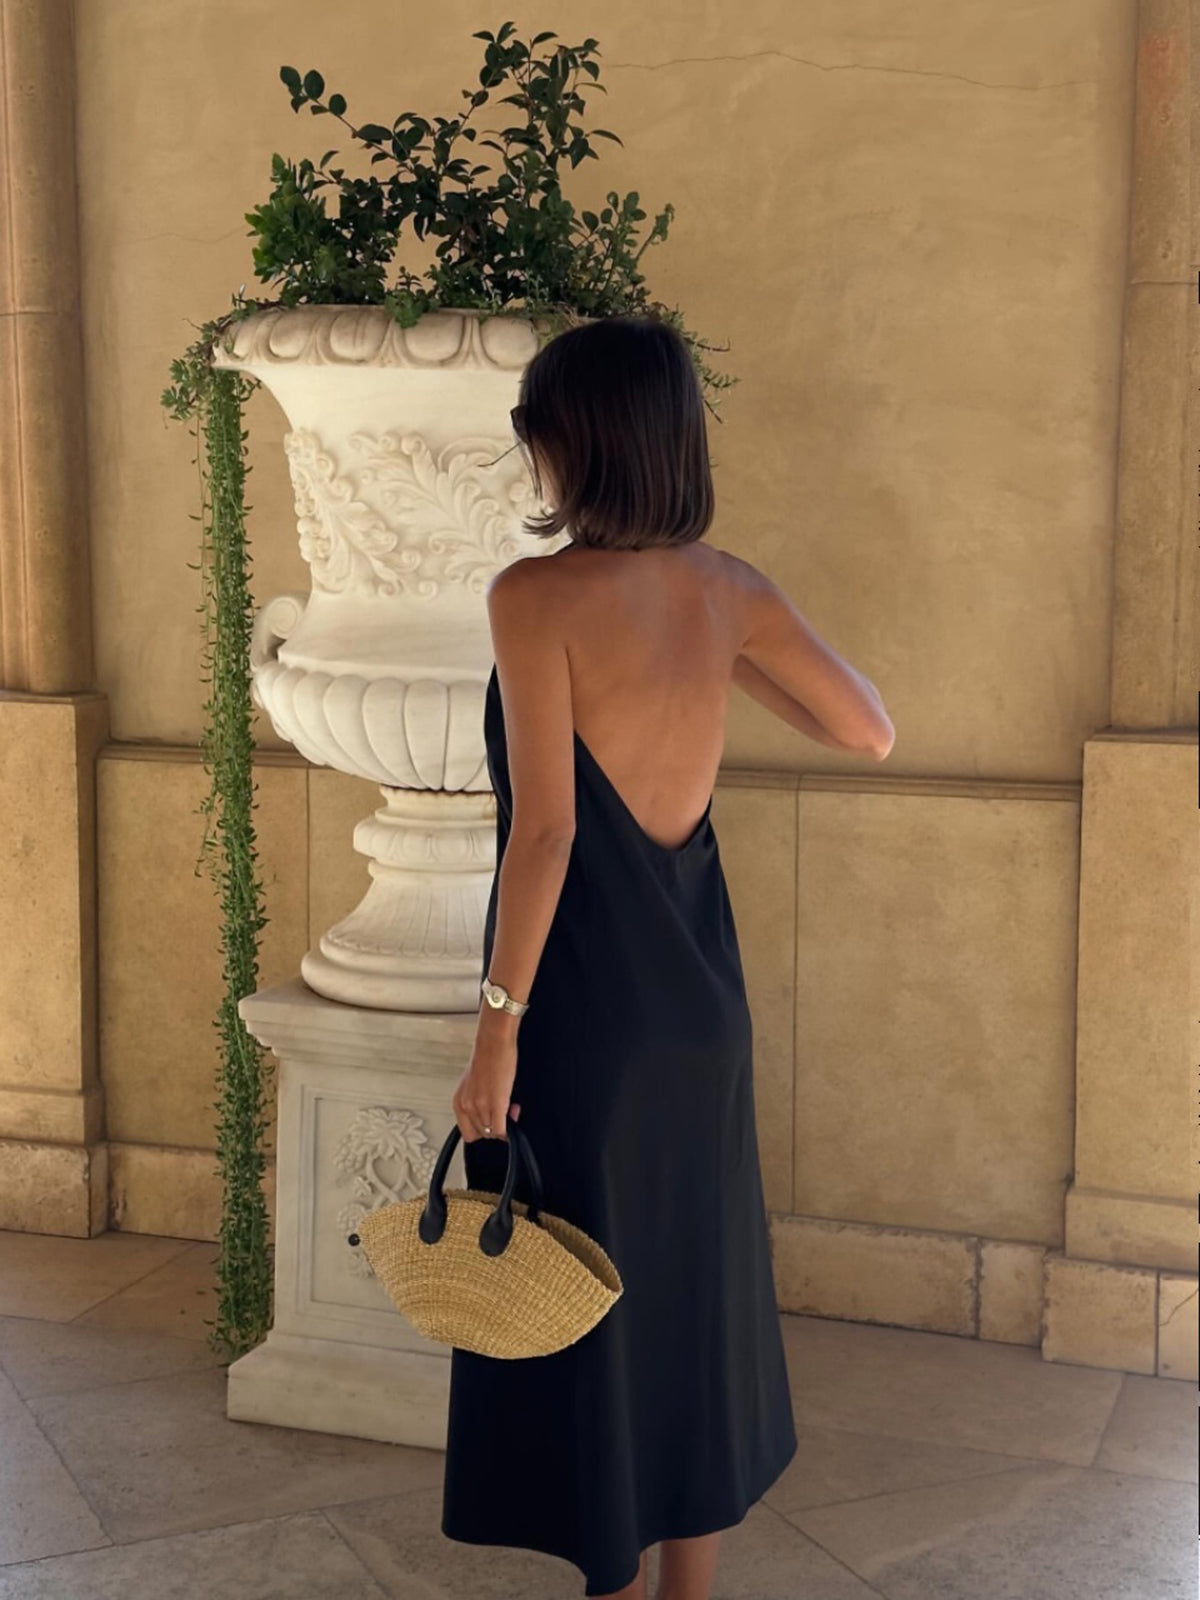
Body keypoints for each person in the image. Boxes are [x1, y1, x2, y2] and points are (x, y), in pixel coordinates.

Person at [440, 314, 895, 1600]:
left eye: (538, 436)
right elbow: (867, 728)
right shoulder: (728, 590)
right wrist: (723, 652)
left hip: (588, 1014)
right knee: (695, 1296)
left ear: (578, 444)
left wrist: (494, 1032)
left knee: (590, 1302)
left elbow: (546, 834)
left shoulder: (532, 599)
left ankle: (613, 1580)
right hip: (702, 1015)